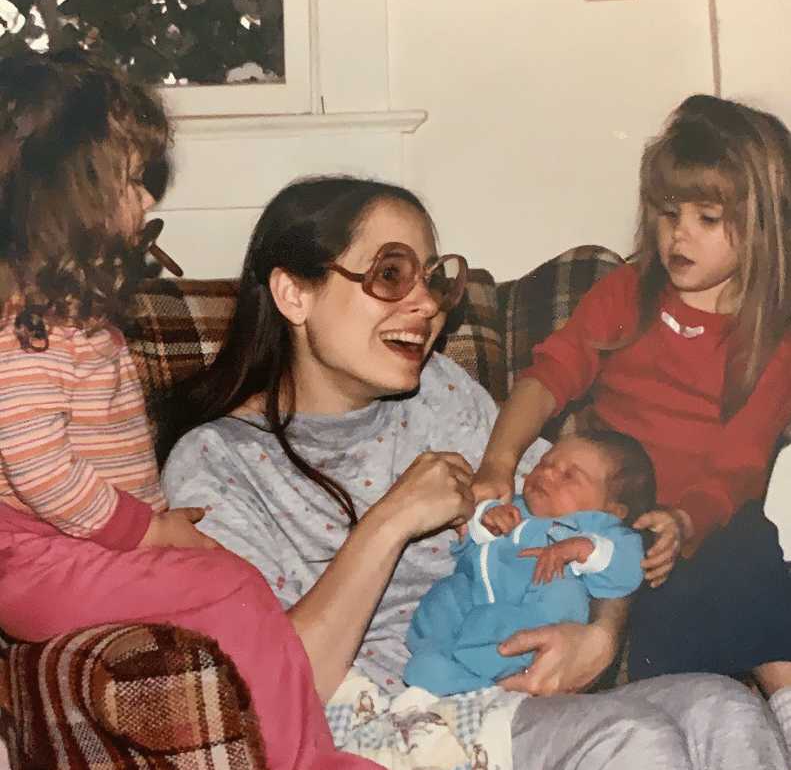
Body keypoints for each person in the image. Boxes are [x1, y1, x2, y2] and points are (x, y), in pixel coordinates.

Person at [162, 174, 789, 769]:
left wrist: (600, 634)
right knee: (634, 741)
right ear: (294, 294)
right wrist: (391, 522)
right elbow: (268, 684)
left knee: (724, 708)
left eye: (434, 280)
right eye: (391, 275)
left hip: (519, 691)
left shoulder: (440, 392)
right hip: (403, 720)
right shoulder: (219, 464)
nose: (426, 305)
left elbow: (591, 518)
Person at [0, 51, 382, 770]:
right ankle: (304, 761)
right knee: (231, 585)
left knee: (234, 583)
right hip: (42, 561)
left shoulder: (66, 316)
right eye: (129, 180)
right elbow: (36, 464)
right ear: (69, 193)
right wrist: (146, 531)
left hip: (71, 552)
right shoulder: (29, 327)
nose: (146, 199)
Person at [473, 93, 791, 748]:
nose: (679, 234)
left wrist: (683, 520)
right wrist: (499, 459)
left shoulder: (769, 340)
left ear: (762, 226)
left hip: (697, 525)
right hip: (602, 511)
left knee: (748, 552)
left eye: (707, 217)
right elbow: (547, 374)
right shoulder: (627, 291)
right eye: (668, 213)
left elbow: (737, 465)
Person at [405, 430, 651, 695]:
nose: (546, 474)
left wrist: (584, 548)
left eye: (569, 476)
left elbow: (628, 569)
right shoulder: (513, 507)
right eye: (544, 463)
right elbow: (468, 537)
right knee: (446, 594)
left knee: (559, 595)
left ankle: (480, 677)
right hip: (475, 590)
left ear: (614, 509)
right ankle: (436, 660)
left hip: (536, 604)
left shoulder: (602, 528)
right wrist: (488, 523)